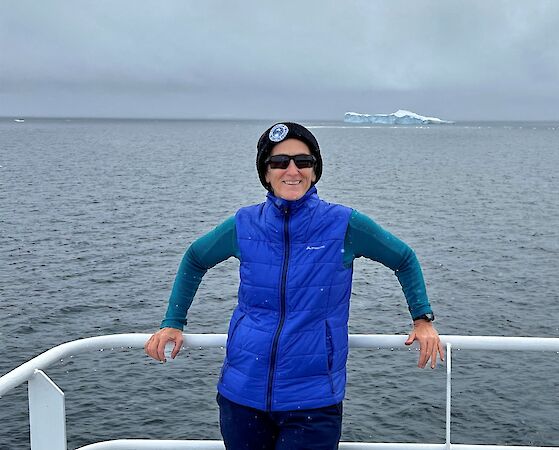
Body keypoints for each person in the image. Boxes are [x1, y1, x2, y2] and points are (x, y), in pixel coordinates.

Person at [145, 122, 444, 450]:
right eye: (279, 162)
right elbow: (195, 258)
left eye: (304, 162)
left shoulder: (344, 224)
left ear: (315, 172)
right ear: (266, 172)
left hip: (312, 400)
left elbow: (403, 258)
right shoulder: (244, 224)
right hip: (242, 394)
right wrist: (173, 322)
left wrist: (422, 319)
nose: (292, 170)